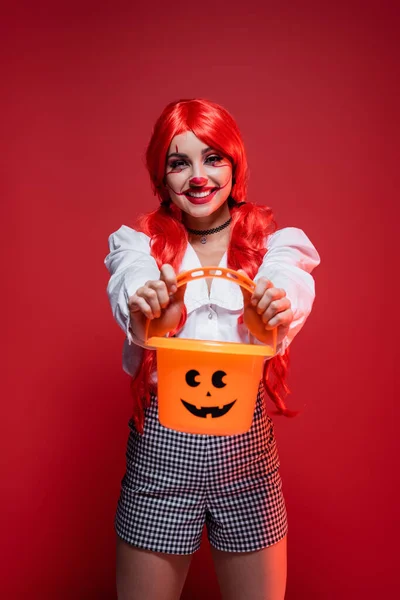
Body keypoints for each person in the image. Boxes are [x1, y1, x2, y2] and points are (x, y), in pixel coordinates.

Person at [104, 98, 320, 600]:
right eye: (179, 163)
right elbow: (130, 281)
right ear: (162, 177)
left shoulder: (275, 244)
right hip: (162, 449)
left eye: (212, 158)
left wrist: (273, 305)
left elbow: (289, 277)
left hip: (245, 454)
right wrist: (148, 304)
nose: (198, 176)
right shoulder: (139, 246)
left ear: (235, 164)